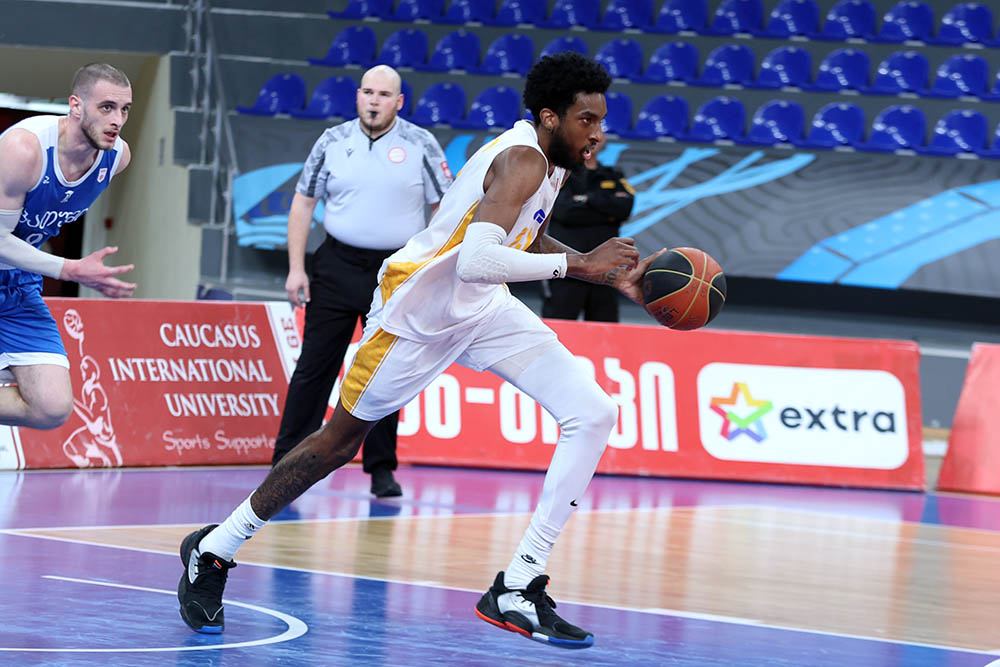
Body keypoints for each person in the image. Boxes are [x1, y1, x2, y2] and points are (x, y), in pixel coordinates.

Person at [176, 52, 665, 648]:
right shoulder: (523, 160)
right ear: (549, 117)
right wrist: (580, 267)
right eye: (587, 120)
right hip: (416, 315)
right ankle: (215, 548)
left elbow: (526, 237)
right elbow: (477, 259)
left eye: (601, 121)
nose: (598, 133)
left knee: (593, 412)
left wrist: (600, 271)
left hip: (481, 309)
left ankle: (518, 584)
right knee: (338, 443)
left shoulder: (552, 161)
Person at [272, 65, 452, 498]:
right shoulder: (332, 141)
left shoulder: (421, 144)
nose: (374, 101)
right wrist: (296, 267)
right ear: (357, 96)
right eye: (367, 92)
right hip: (336, 264)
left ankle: (381, 469)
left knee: (385, 371)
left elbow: (444, 208)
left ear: (399, 102)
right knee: (315, 366)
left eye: (383, 94)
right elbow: (303, 202)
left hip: (394, 270)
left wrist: (430, 268)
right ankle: (284, 462)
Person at [0, 63, 136, 430]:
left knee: (52, 407)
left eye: (125, 109)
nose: (117, 120)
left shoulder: (116, 158)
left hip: (16, 284)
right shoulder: (25, 149)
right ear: (75, 105)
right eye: (106, 107)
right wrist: (70, 268)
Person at [541, 135, 635, 322]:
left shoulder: (613, 174)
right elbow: (563, 211)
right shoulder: (560, 173)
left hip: (606, 272)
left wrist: (585, 200)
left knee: (605, 331)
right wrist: (605, 210)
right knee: (558, 329)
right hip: (565, 270)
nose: (594, 138)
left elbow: (624, 208)